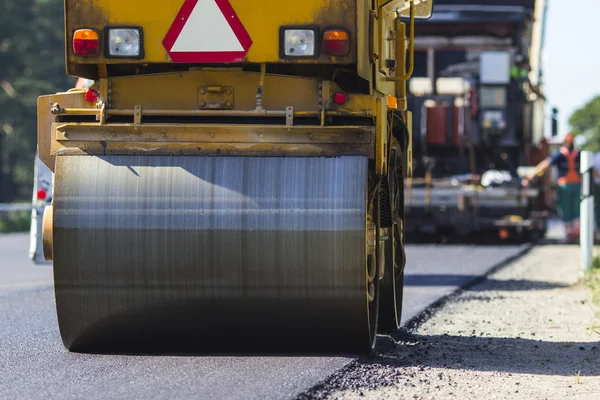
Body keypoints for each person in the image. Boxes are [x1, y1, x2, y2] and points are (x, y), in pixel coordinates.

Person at [523, 133, 581, 242]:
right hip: (577, 185)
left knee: (566, 209)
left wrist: (532, 173)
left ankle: (570, 233)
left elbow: (546, 164)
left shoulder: (560, 154)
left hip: (565, 185)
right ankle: (576, 233)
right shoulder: (578, 154)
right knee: (577, 209)